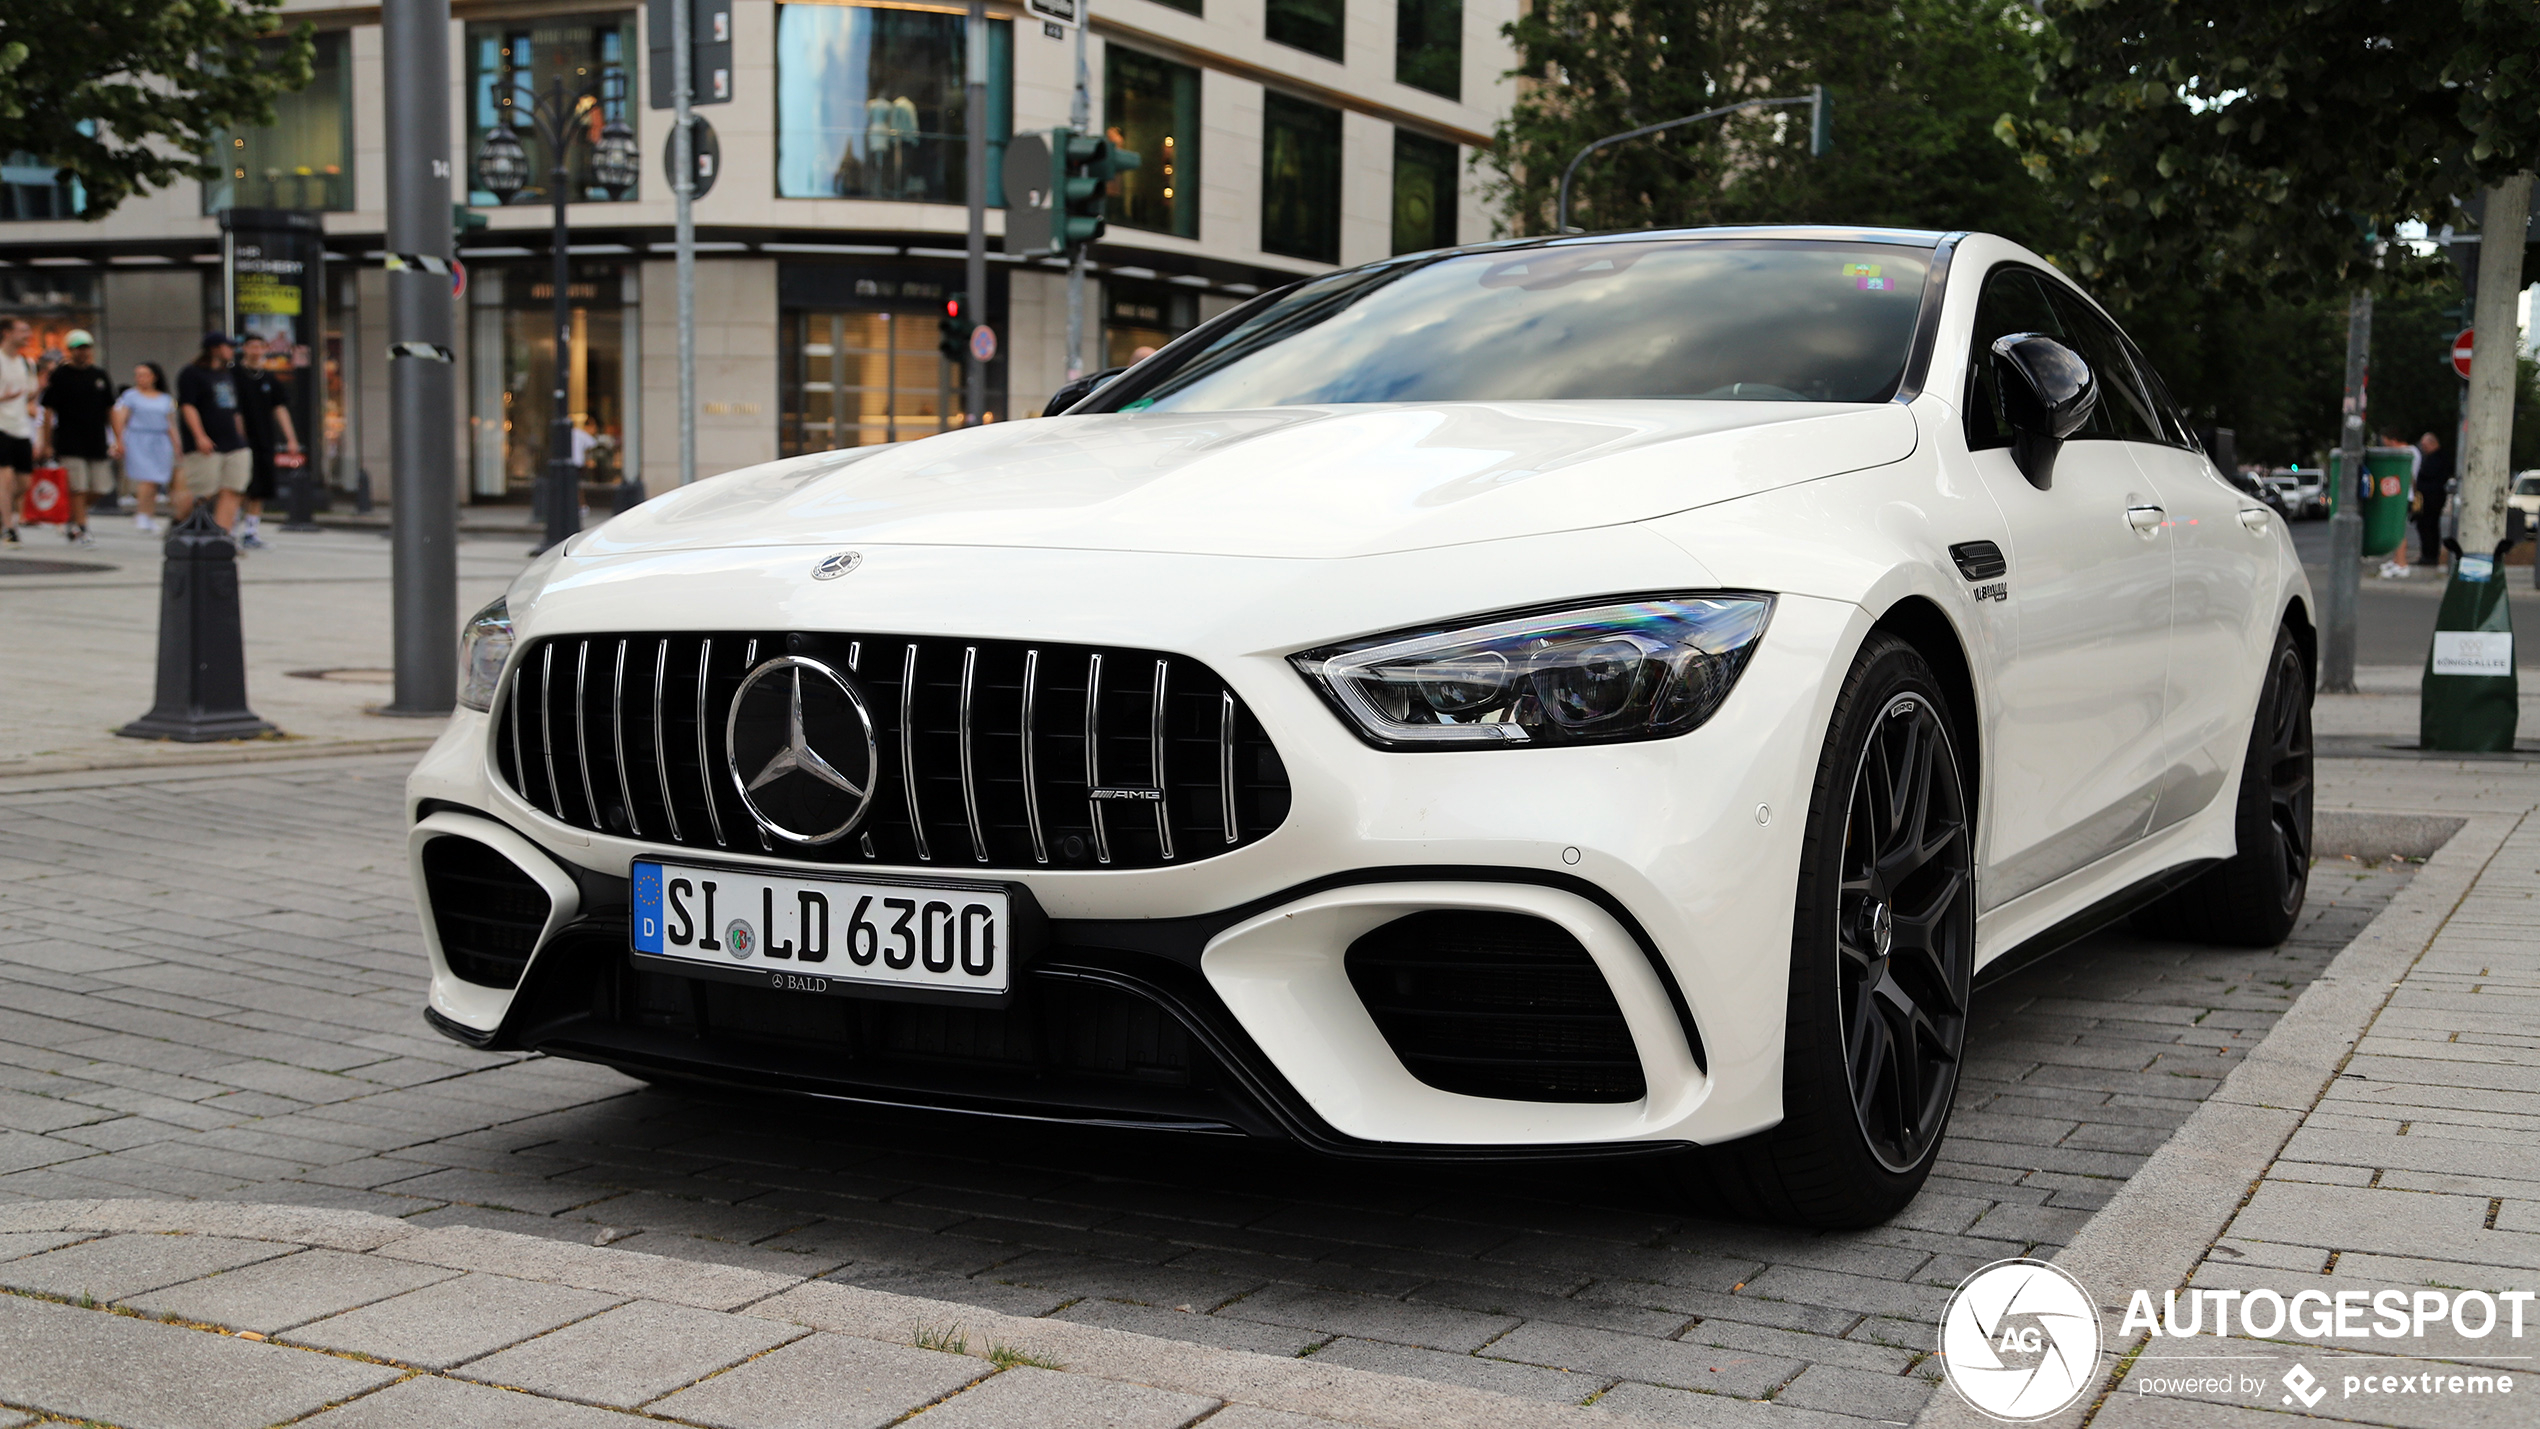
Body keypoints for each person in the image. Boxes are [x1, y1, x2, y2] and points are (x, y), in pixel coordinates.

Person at [37, 329, 116, 547]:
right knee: (77, 486)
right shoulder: (61, 376)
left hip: (96, 438)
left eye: (87, 347)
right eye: (79, 348)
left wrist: (118, 438)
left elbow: (111, 408)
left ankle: (73, 515)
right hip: (69, 439)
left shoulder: (99, 376)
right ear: (71, 351)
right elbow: (49, 410)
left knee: (100, 487)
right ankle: (82, 527)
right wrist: (46, 443)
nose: (84, 352)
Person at [175, 333, 251, 534]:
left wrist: (241, 437)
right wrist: (200, 436)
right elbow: (188, 406)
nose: (232, 351)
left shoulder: (228, 374)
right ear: (214, 349)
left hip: (234, 442)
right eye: (228, 347)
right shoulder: (192, 373)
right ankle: (178, 522)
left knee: (233, 490)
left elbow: (234, 409)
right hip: (206, 442)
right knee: (203, 493)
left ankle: (222, 538)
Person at [233, 334, 302, 549]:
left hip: (264, 438)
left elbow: (280, 408)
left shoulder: (269, 379)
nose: (256, 350)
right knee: (237, 485)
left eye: (260, 346)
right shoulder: (233, 375)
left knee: (260, 487)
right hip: (238, 440)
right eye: (251, 346)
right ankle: (230, 529)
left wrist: (291, 438)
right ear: (244, 348)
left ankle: (251, 532)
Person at [113, 363, 177, 532]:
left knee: (155, 479)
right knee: (146, 478)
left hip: (160, 439)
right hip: (139, 438)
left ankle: (149, 513)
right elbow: (120, 419)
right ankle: (142, 513)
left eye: (144, 374)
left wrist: (176, 445)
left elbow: (170, 424)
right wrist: (119, 439)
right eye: (138, 375)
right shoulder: (130, 396)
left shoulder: (165, 398)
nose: (141, 378)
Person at [0, 317, 36, 546]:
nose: (28, 334)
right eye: (23, 330)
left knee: (24, 483)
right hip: (1, 425)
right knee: (5, 479)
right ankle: (8, 527)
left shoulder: (27, 363)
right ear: (7, 333)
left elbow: (30, 394)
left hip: (21, 427)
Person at [2414, 429, 2454, 574]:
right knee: (2424, 526)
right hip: (2428, 497)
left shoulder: (2438, 458)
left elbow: (2428, 475)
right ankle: (2427, 554)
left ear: (2432, 444)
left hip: (2432, 497)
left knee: (2429, 526)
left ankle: (2430, 555)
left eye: (2425, 445)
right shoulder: (2433, 457)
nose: (2423, 448)